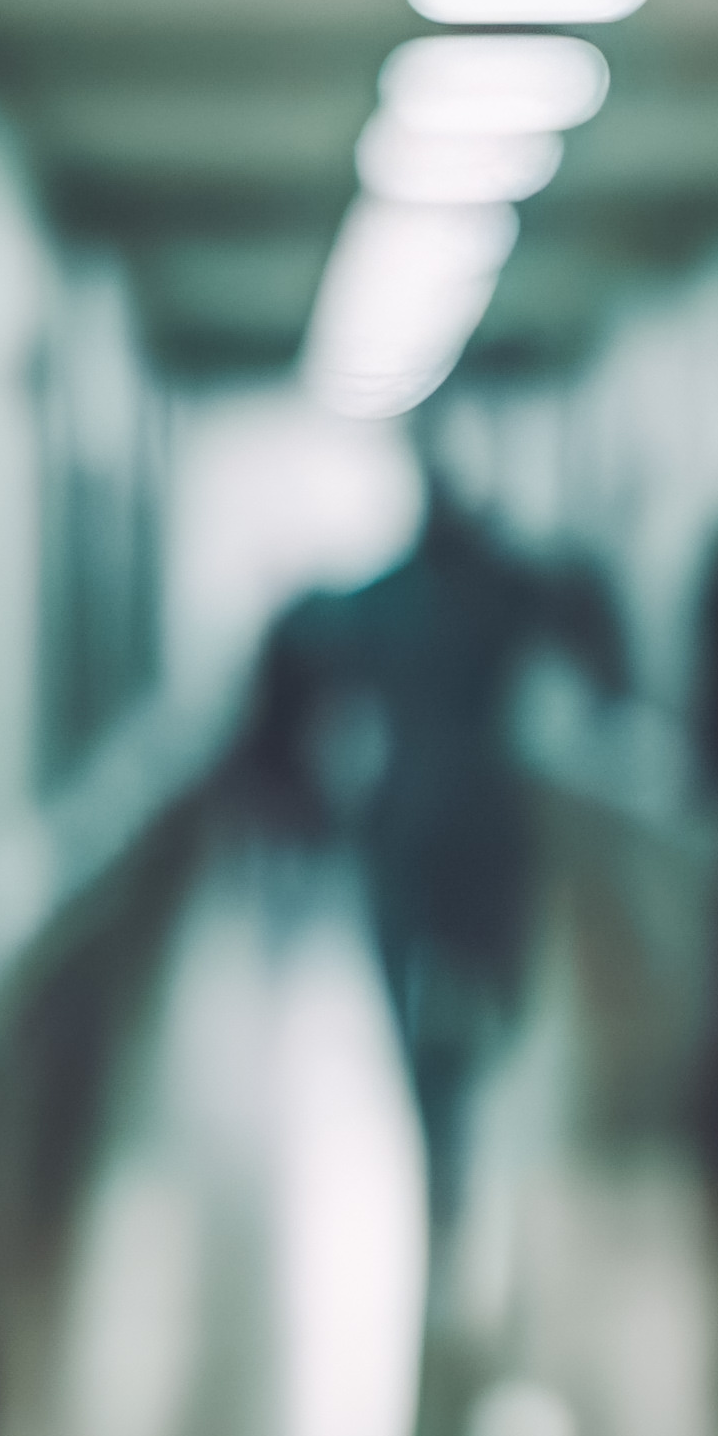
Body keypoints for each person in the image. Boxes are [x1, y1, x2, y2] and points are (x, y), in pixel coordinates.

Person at [244, 481, 630, 1228]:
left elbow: (295, 653)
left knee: (437, 1001)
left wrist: (287, 783)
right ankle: (445, 1119)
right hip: (481, 823)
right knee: (483, 996)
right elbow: (593, 629)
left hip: (409, 823)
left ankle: (440, 1120)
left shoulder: (386, 599)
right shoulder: (504, 588)